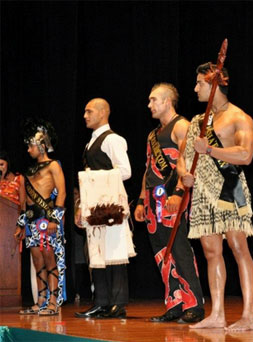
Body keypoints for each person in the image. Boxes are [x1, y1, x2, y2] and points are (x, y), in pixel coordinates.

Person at [178, 63, 253, 331]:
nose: (195, 88)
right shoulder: (198, 122)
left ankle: (248, 316)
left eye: (199, 83)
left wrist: (210, 150)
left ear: (213, 85)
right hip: (202, 192)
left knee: (238, 247)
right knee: (211, 252)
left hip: (230, 188)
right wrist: (184, 176)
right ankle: (218, 313)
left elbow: (245, 155)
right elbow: (183, 156)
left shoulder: (239, 117)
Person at [134, 83, 205, 323]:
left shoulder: (182, 126)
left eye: (154, 100)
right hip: (153, 200)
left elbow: (186, 161)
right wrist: (142, 201)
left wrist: (178, 193)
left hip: (173, 196)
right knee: (162, 253)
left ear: (167, 101)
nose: (149, 104)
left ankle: (194, 304)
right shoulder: (153, 134)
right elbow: (147, 169)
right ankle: (174, 303)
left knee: (179, 248)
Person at [75, 98, 136, 319]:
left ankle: (118, 303)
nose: (85, 115)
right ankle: (101, 302)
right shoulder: (90, 143)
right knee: (96, 254)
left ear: (102, 113)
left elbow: (126, 171)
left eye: (89, 111)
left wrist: (94, 177)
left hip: (111, 207)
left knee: (114, 253)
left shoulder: (113, 140)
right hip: (94, 207)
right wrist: (81, 206)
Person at [15, 119, 67, 316]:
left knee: (49, 259)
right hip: (31, 222)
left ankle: (54, 302)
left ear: (41, 146)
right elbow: (23, 202)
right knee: (37, 262)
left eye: (31, 146)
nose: (28, 150)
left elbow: (61, 193)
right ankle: (41, 301)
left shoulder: (53, 166)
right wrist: (21, 225)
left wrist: (55, 219)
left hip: (47, 221)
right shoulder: (27, 172)